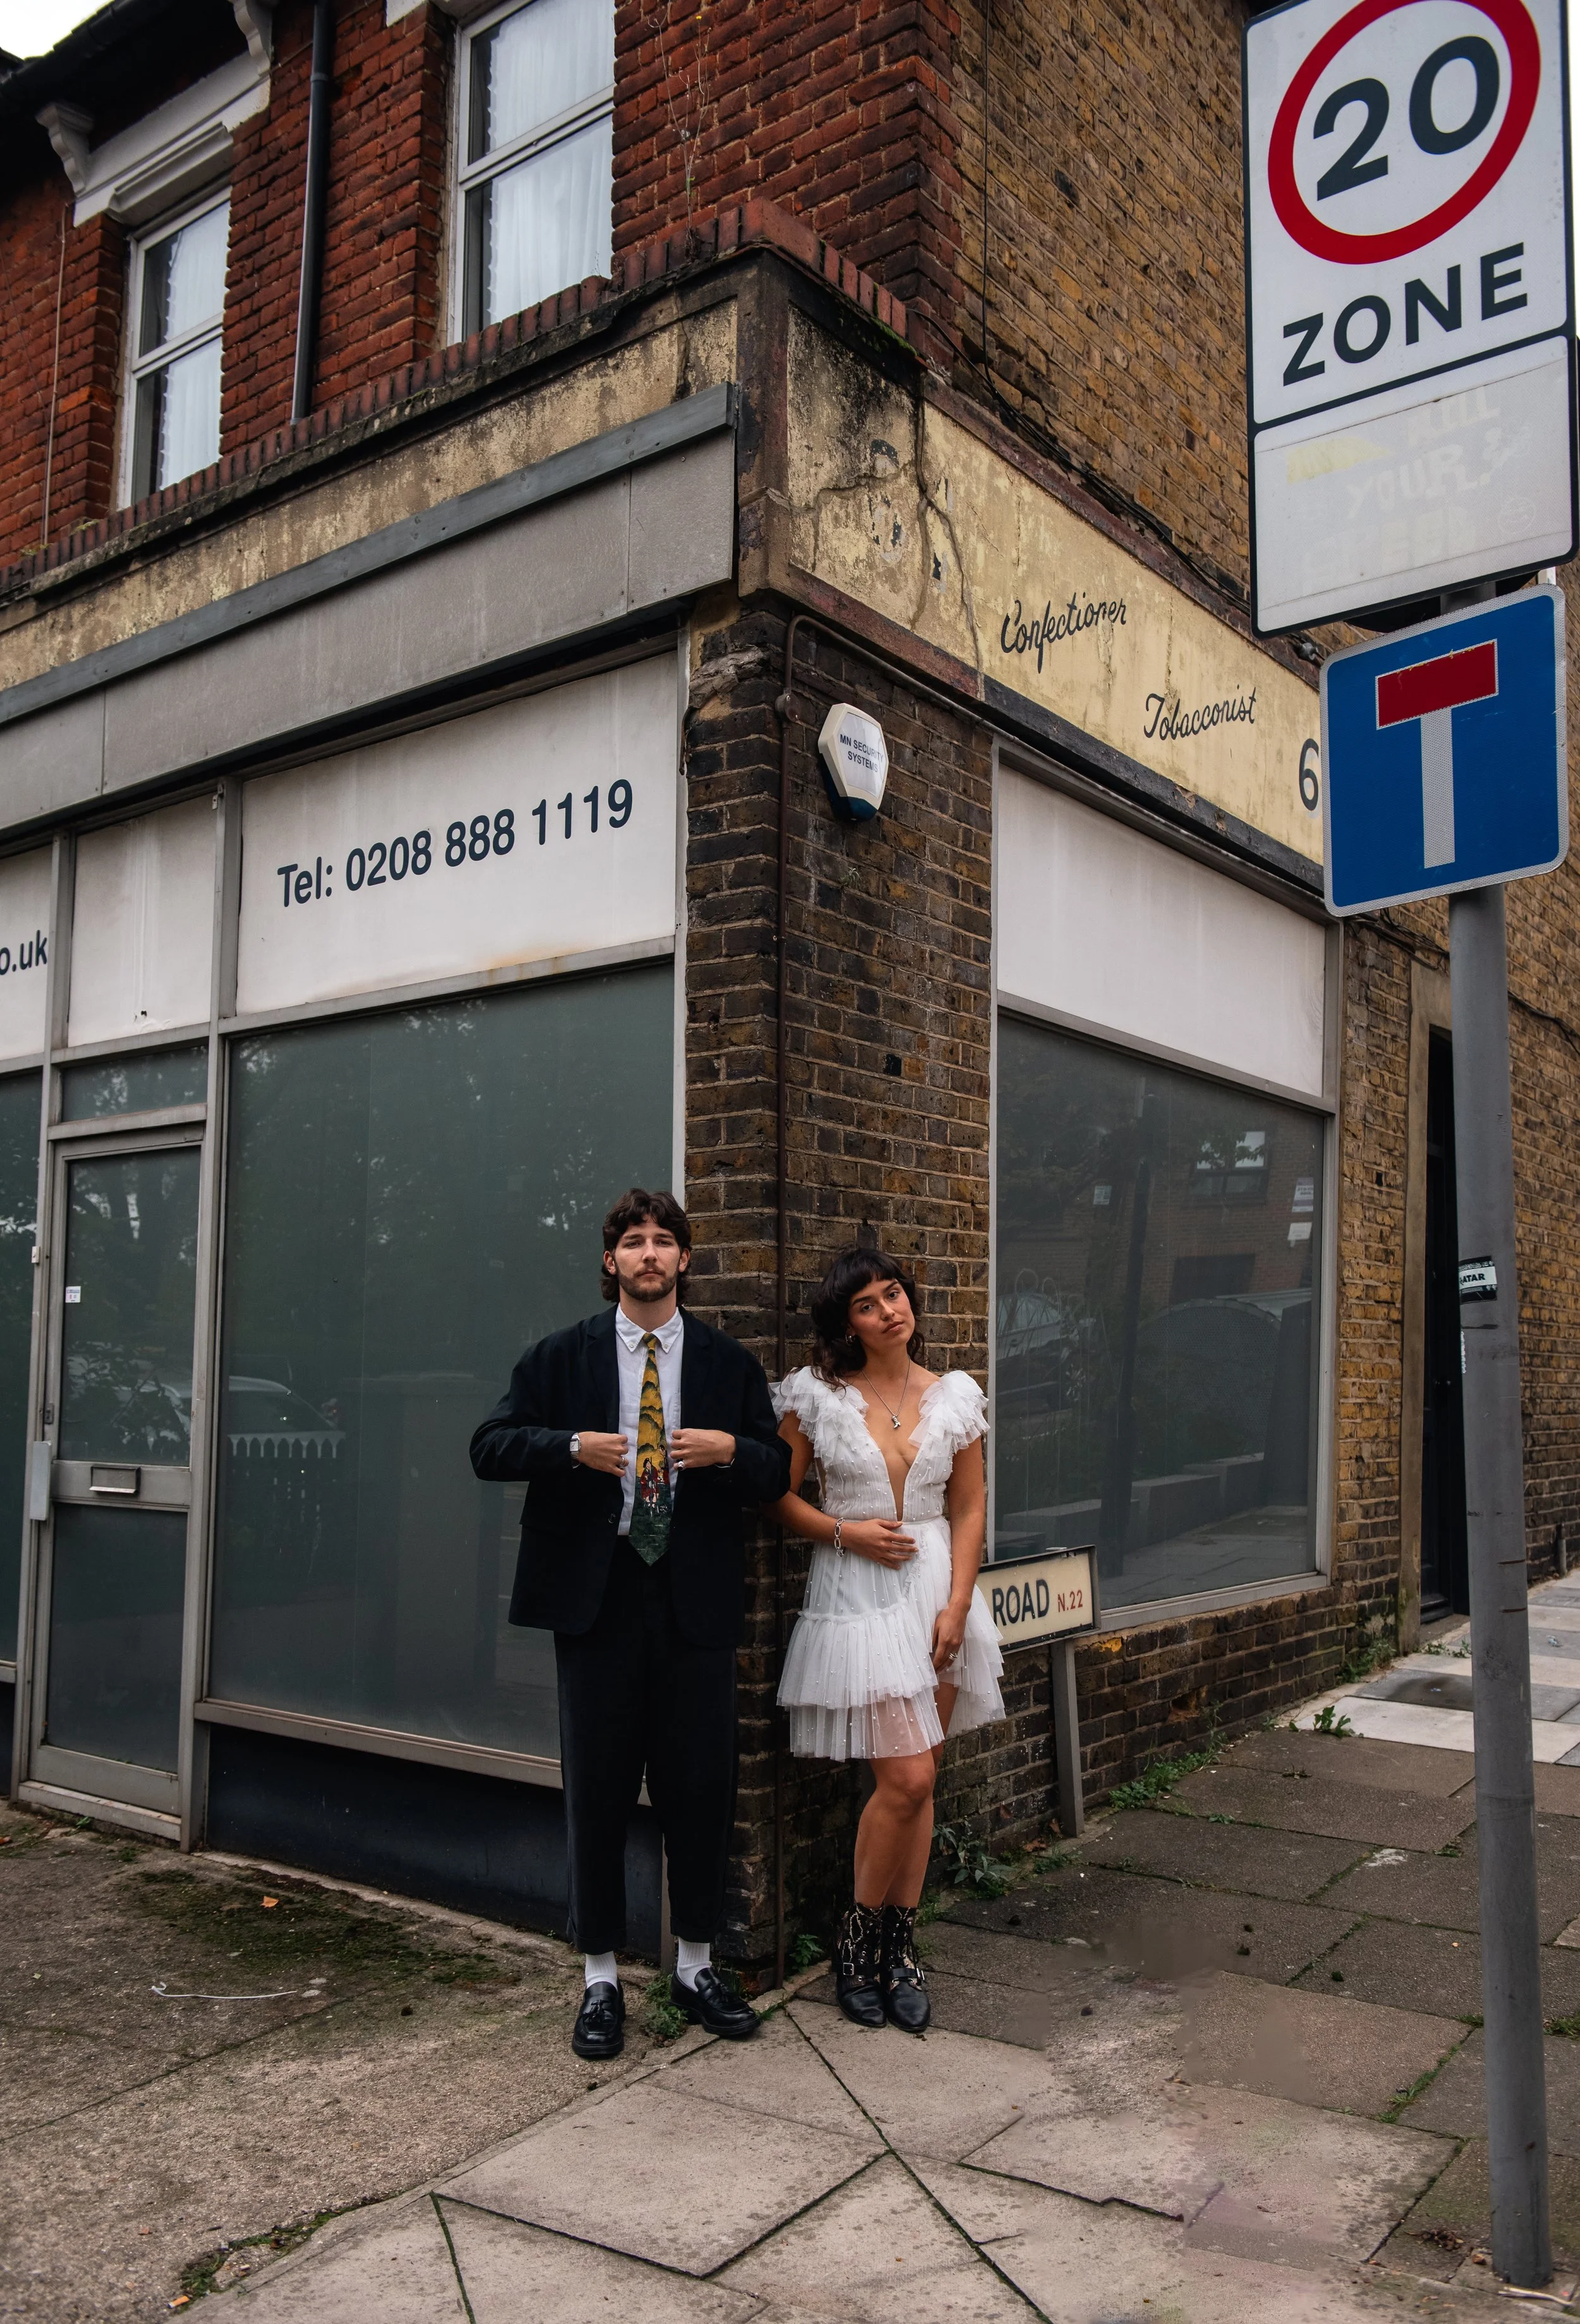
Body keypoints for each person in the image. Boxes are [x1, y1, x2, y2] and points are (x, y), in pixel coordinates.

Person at [470, 1189, 790, 2060]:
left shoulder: (726, 1362)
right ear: (610, 1261)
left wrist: (730, 1451)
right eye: (634, 1241)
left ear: (685, 1259)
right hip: (598, 1596)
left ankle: (695, 1965)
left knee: (701, 1786)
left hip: (693, 1596)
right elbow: (488, 1446)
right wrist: (573, 1447)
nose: (650, 1253)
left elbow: (775, 1471)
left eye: (664, 1240)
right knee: (599, 1787)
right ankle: (601, 1977)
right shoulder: (560, 1356)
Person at [773, 1247, 1004, 2033]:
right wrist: (846, 1532)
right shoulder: (817, 1396)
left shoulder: (954, 1394)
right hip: (858, 1590)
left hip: (937, 1590)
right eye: (867, 1304)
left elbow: (968, 1505)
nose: (888, 1310)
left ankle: (898, 1950)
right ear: (848, 1324)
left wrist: (959, 1601)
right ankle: (855, 1943)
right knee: (904, 1778)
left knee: (922, 1782)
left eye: (894, 1293)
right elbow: (777, 1496)